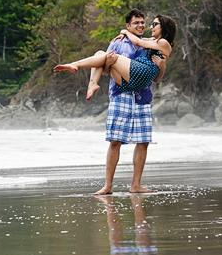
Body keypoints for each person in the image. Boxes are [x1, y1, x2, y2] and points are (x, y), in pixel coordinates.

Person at [55, 12, 177, 194]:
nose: (146, 26)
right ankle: (108, 185)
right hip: (123, 91)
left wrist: (161, 63)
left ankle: (136, 185)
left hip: (142, 92)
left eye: (151, 23)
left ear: (164, 28)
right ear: (128, 25)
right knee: (115, 140)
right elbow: (106, 66)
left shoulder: (154, 43)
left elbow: (157, 77)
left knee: (143, 142)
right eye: (137, 23)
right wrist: (111, 59)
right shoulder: (119, 42)